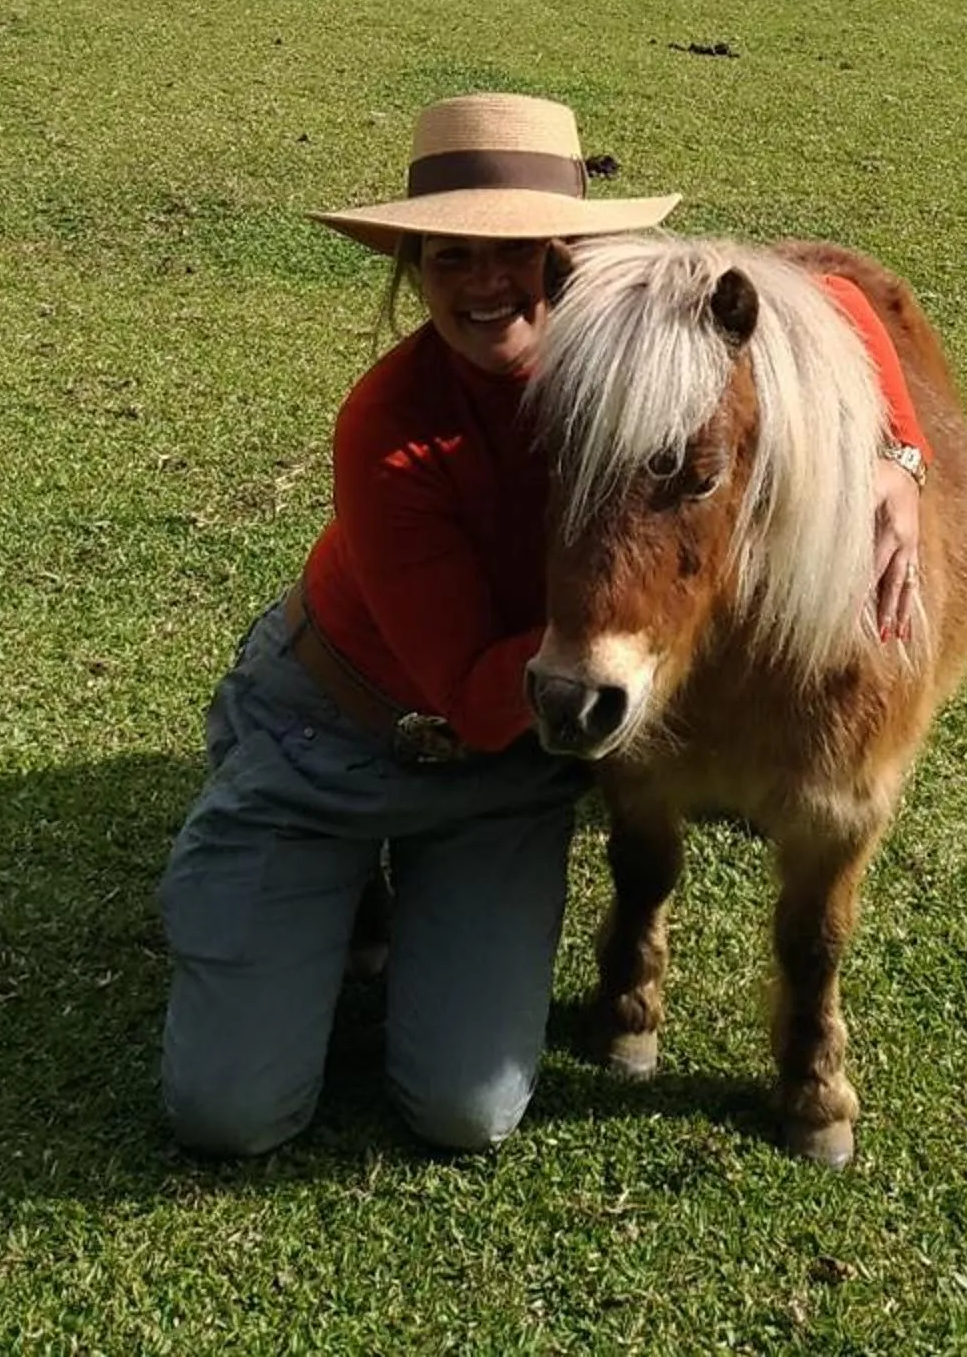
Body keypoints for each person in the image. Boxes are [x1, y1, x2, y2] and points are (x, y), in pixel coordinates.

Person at [157, 91, 928, 1158]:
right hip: (348, 728)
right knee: (229, 1114)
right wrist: (636, 644)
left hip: (508, 767)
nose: (486, 285)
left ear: (567, 261)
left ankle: (375, 906)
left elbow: (834, 297)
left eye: (516, 252)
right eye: (446, 259)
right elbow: (474, 692)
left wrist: (895, 453)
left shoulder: (628, 361)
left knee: (466, 1113)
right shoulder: (389, 430)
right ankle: (299, 851)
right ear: (410, 272)